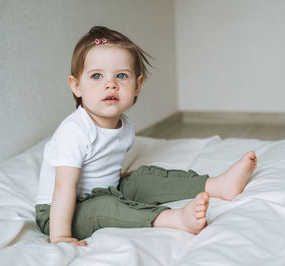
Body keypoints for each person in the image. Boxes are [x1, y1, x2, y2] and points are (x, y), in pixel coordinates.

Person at [35, 26, 257, 247]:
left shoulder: (125, 126)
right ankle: (174, 219)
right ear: (76, 86)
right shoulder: (74, 131)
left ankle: (217, 185)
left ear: (137, 85)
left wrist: (120, 178)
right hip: (62, 211)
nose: (110, 84)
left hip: (106, 191)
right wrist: (61, 236)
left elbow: (102, 163)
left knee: (144, 177)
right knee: (106, 207)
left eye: (121, 76)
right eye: (96, 76)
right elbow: (64, 186)